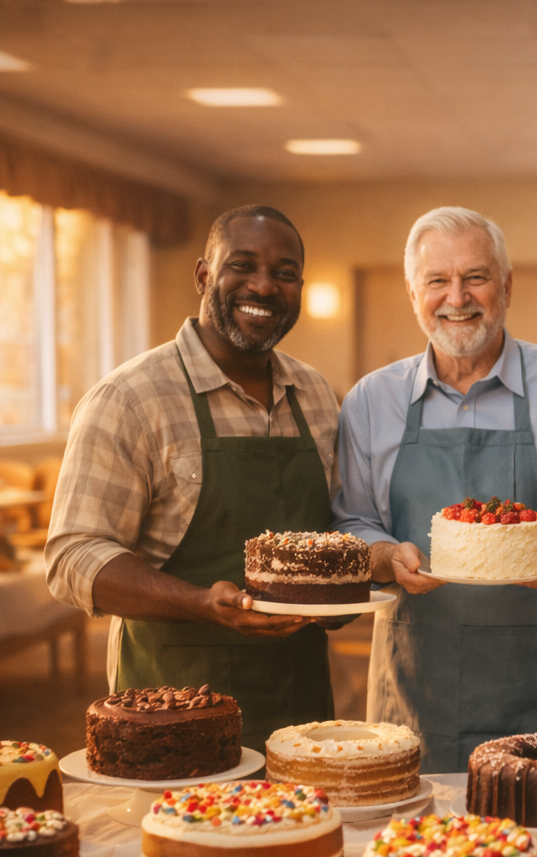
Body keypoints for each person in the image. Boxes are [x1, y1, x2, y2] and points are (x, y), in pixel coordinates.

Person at [332, 207, 537, 772]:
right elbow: (352, 522)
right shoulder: (370, 401)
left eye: (475, 277)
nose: (458, 297)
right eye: (437, 280)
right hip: (416, 689)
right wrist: (384, 556)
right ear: (413, 292)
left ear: (506, 285)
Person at [47, 205, 340, 750]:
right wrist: (199, 603)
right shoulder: (131, 397)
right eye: (243, 265)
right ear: (204, 275)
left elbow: (332, 533)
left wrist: (339, 599)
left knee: (306, 836)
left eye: (284, 272)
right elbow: (72, 556)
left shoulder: (315, 395)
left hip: (302, 711)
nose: (263, 285)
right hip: (172, 710)